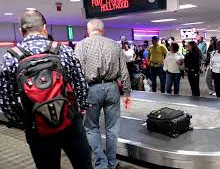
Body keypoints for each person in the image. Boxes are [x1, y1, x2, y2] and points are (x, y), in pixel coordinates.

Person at [0, 10, 93, 169]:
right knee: (83, 165)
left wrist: (24, 120)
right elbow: (82, 85)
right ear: (45, 27)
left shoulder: (10, 58)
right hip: (70, 121)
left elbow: (5, 101)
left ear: (21, 31)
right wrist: (80, 110)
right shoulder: (63, 50)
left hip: (37, 127)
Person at [75, 19, 131, 169]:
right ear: (103, 30)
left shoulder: (81, 45)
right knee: (112, 128)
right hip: (112, 88)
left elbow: (77, 73)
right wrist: (126, 92)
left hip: (91, 89)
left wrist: (78, 96)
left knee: (91, 127)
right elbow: (124, 71)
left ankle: (101, 163)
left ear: (88, 30)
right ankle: (112, 163)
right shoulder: (114, 45)